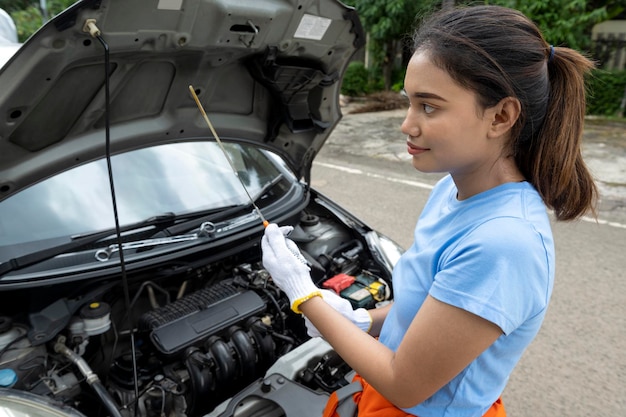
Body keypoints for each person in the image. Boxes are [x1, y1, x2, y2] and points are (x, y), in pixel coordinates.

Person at [261, 4, 597, 417]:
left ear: (502, 116)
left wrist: (304, 296)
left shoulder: (504, 243)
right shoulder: (450, 190)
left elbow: (406, 385)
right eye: (409, 102)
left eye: (429, 106)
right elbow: (426, 309)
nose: (407, 124)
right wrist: (363, 320)